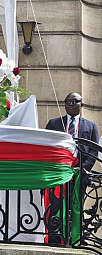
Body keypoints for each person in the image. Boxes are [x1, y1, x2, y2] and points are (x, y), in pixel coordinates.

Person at [44, 92, 99, 243]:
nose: (71, 104)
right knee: (56, 207)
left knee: (76, 207)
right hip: (59, 174)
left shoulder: (91, 126)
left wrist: (83, 167)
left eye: (75, 101)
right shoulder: (54, 123)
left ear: (81, 104)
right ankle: (55, 238)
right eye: (68, 101)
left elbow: (94, 150)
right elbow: (48, 146)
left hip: (80, 175)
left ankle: (75, 238)